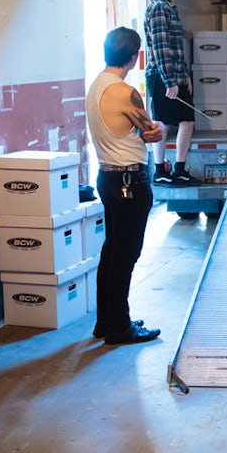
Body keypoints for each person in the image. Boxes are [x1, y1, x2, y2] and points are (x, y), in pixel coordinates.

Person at [87, 26, 165, 345]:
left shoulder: (96, 86)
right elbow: (151, 132)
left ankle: (106, 320)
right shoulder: (124, 91)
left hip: (108, 177)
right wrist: (156, 129)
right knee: (125, 254)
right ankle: (120, 327)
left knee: (111, 250)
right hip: (130, 180)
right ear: (134, 57)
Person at [144, 0, 200, 185]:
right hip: (162, 77)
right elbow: (161, 49)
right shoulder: (158, 8)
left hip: (176, 76)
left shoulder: (170, 8)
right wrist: (169, 82)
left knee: (188, 120)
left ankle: (179, 168)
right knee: (163, 123)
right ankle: (159, 170)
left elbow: (176, 49)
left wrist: (185, 76)